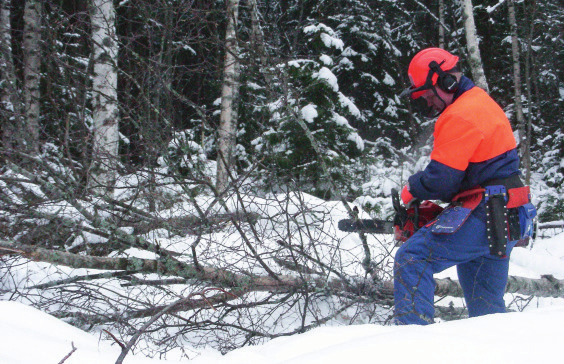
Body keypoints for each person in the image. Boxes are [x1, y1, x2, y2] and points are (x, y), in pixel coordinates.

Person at [394, 47, 536, 325]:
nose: (429, 104)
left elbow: (441, 180)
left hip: (485, 214)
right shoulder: (481, 101)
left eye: (428, 95)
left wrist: (412, 189)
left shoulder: (460, 113)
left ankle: (410, 346)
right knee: (487, 313)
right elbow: (468, 176)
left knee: (412, 258)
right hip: (507, 214)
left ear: (445, 81)